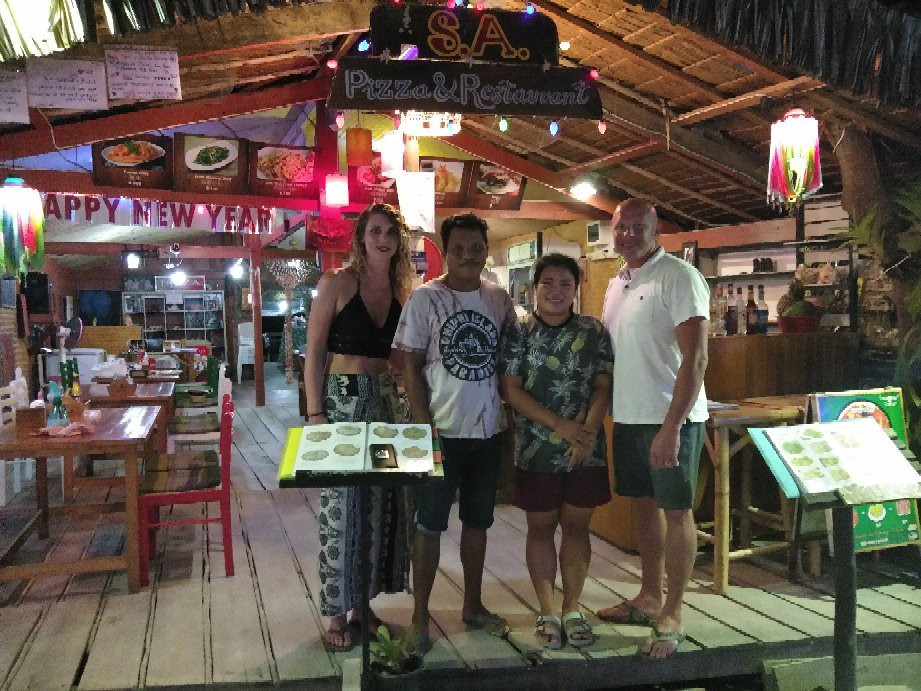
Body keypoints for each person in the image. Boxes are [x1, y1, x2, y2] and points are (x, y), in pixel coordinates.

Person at [392, 213, 516, 654]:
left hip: (488, 430)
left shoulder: (499, 299)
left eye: (475, 247)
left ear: (486, 250)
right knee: (428, 525)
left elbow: (510, 361)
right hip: (440, 430)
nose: (468, 255)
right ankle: (419, 618)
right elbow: (409, 364)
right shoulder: (425, 299)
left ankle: (473, 605)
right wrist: (423, 424)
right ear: (445, 252)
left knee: (478, 522)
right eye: (458, 248)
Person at [598, 198, 709, 659]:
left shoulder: (679, 277)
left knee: (677, 511)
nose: (627, 234)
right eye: (620, 226)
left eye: (637, 226)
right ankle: (648, 597)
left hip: (669, 418)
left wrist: (672, 427)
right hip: (628, 416)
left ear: (656, 229)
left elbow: (696, 359)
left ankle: (673, 613)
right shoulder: (618, 281)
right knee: (645, 508)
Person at [303, 203, 415, 652]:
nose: (383, 239)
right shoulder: (335, 282)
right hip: (342, 401)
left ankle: (362, 607)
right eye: (375, 231)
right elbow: (314, 351)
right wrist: (315, 413)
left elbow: (405, 355)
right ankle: (336, 611)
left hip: (387, 403)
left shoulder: (402, 288)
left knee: (380, 506)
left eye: (390, 232)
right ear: (361, 237)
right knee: (341, 506)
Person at [498, 253, 613, 650]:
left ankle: (572, 608)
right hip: (536, 449)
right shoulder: (519, 332)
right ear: (534, 288)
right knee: (541, 527)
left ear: (576, 289)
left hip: (586, 448)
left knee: (577, 527)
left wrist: (587, 434)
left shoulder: (593, 330)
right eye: (547, 282)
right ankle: (547, 610)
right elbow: (511, 390)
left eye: (566, 283)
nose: (556, 291)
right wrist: (561, 426)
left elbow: (603, 386)